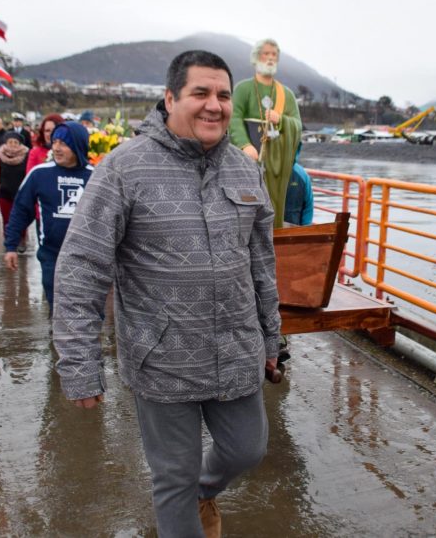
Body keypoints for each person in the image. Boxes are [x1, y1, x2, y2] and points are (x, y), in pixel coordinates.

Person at [52, 50, 280, 538]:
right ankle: (186, 502)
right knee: (171, 478)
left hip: (237, 349)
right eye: (201, 93)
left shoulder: (245, 170)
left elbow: (262, 263)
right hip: (162, 358)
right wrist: (79, 363)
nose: (214, 105)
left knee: (248, 449)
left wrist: (271, 338)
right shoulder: (123, 168)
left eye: (222, 94)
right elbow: (81, 267)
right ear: (170, 97)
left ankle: (205, 491)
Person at [3, 122, 92, 312]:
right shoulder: (40, 174)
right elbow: (20, 210)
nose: (57, 148)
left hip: (86, 257)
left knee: (86, 310)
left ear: (78, 146)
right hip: (52, 255)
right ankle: (59, 339)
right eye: (55, 142)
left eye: (64, 144)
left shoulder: (96, 177)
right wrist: (11, 245)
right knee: (58, 307)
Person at [228, 38, 302, 228]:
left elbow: (297, 125)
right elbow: (234, 118)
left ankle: (272, 235)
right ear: (256, 57)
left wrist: (282, 120)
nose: (270, 58)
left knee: (273, 200)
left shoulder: (286, 94)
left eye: (274, 55)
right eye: (266, 54)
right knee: (245, 200)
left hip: (276, 159)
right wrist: (244, 145)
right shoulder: (243, 89)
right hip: (247, 155)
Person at [0, 131, 30, 253]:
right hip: (5, 192)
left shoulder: (26, 155)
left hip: (21, 192)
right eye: (10, 142)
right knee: (6, 218)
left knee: (21, 218)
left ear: (20, 143)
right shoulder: (0, 155)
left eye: (15, 142)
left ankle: (21, 240)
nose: (13, 145)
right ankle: (9, 241)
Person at [283, 140, 313, 226]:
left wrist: (306, 232)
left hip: (293, 233)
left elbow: (307, 209)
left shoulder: (302, 175)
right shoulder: (263, 171)